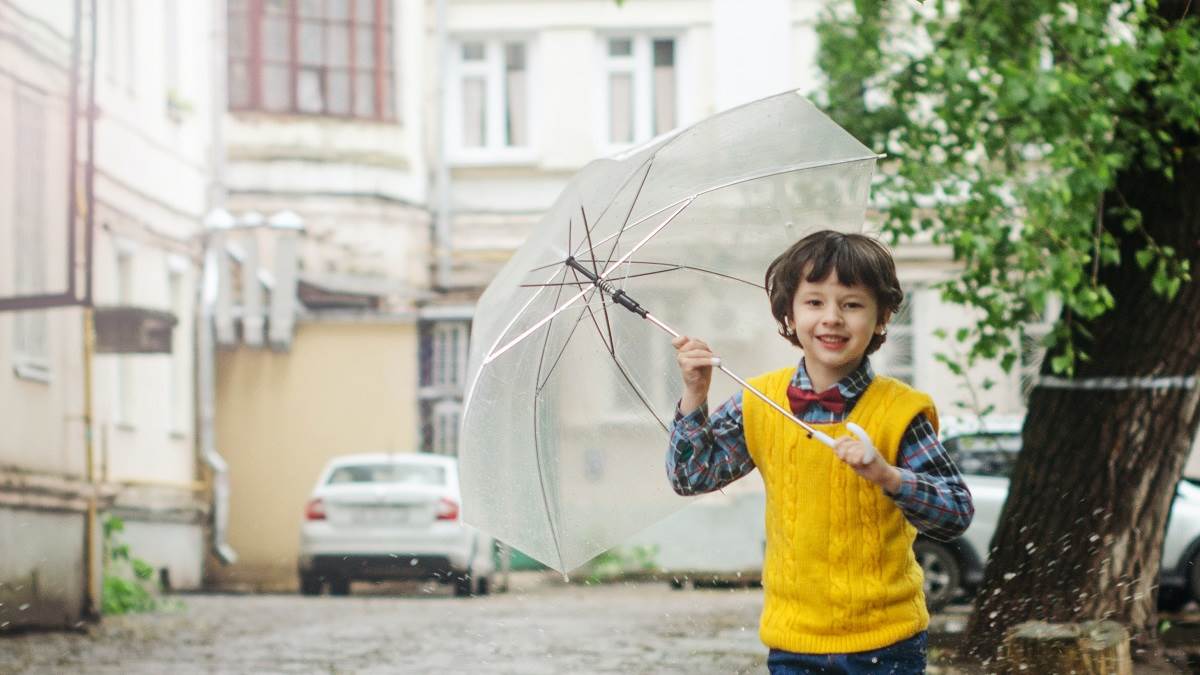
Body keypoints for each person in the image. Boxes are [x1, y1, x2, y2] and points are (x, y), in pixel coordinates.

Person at [668, 230, 974, 675]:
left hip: (886, 644)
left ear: (882, 317)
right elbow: (690, 477)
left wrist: (888, 476)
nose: (832, 318)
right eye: (814, 303)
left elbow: (955, 514)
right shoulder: (761, 400)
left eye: (851, 304)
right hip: (792, 643)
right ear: (789, 314)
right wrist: (695, 395)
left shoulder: (901, 410)